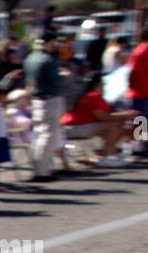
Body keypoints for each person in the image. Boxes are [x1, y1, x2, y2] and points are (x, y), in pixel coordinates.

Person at [62, 73, 138, 167]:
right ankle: (109, 156)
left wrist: (123, 116)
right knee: (113, 125)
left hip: (71, 128)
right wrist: (124, 115)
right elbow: (102, 117)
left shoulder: (89, 96)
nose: (105, 85)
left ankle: (112, 154)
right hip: (75, 128)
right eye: (103, 82)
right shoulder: (94, 96)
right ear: (98, 84)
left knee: (118, 126)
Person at [24, 31, 64, 180]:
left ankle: (39, 168)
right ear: (49, 42)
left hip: (36, 99)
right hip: (49, 99)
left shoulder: (29, 58)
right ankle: (42, 171)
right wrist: (62, 75)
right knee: (47, 136)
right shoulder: (48, 60)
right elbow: (55, 81)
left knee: (39, 135)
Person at [127, 25, 148, 156]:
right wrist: (134, 87)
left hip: (147, 91)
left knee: (143, 120)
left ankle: (140, 146)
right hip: (141, 92)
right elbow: (133, 70)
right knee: (140, 119)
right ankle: (136, 147)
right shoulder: (143, 50)